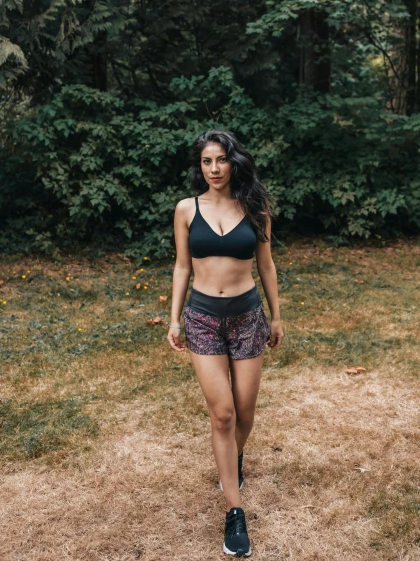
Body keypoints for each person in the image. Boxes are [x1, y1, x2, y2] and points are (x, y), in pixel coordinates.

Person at [167, 129, 284, 557]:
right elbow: (182, 266)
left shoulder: (256, 209)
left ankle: (232, 460)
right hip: (202, 319)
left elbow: (267, 266)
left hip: (248, 317)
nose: (214, 169)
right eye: (206, 162)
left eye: (220, 160)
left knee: (246, 413)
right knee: (223, 414)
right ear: (200, 167)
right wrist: (174, 319)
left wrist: (276, 316)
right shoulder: (185, 209)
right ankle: (235, 512)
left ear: (234, 162)